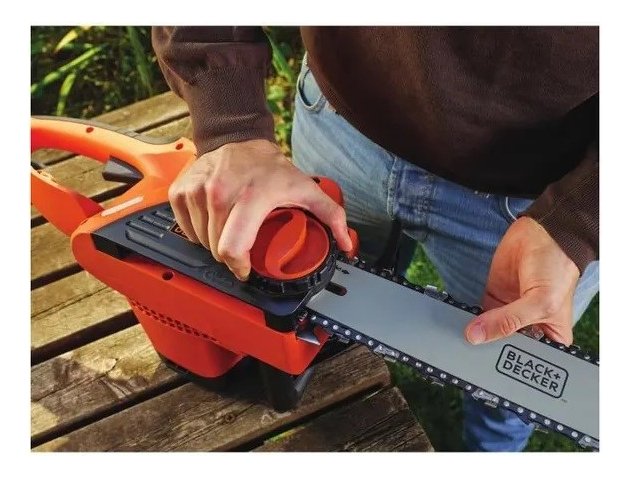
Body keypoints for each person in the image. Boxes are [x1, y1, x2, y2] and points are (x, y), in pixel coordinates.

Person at [151, 26, 599, 451]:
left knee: (512, 369)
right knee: (330, 313)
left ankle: (491, 452)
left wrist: (582, 213)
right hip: (341, 120)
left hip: (544, 193)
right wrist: (230, 120)